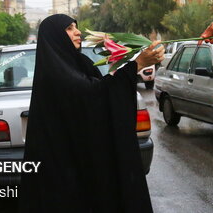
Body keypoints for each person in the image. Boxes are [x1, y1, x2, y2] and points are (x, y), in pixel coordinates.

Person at [19, 14, 164, 213]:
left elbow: (99, 91)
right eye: (69, 28)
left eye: (75, 27)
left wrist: (131, 68)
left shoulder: (79, 63)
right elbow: (94, 96)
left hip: (81, 165)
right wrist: (135, 66)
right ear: (55, 37)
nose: (78, 32)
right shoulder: (55, 73)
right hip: (62, 171)